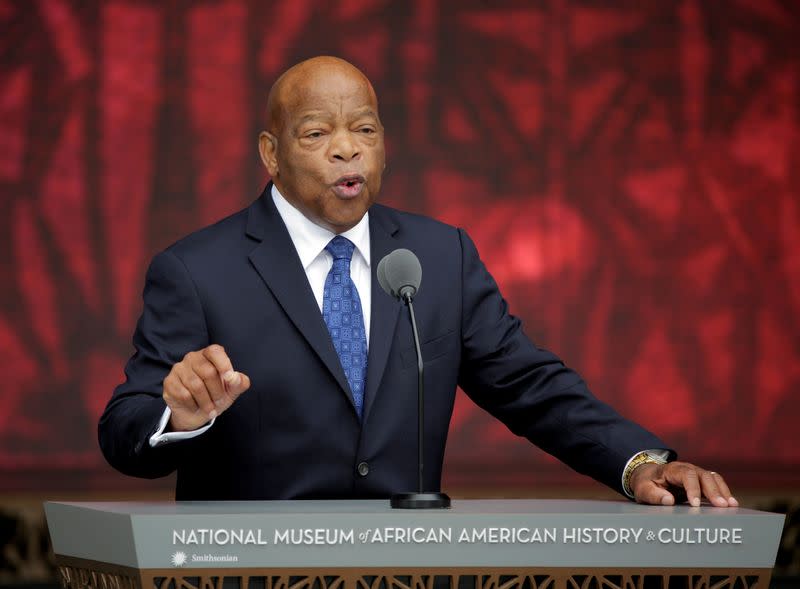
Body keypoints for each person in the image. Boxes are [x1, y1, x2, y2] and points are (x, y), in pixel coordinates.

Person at [99, 56, 737, 508]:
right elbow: (125, 429)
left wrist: (641, 462)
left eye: (365, 131)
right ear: (271, 152)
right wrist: (177, 418)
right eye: (318, 133)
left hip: (405, 564)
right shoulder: (198, 269)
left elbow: (528, 385)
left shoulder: (440, 255)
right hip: (252, 571)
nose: (347, 150)